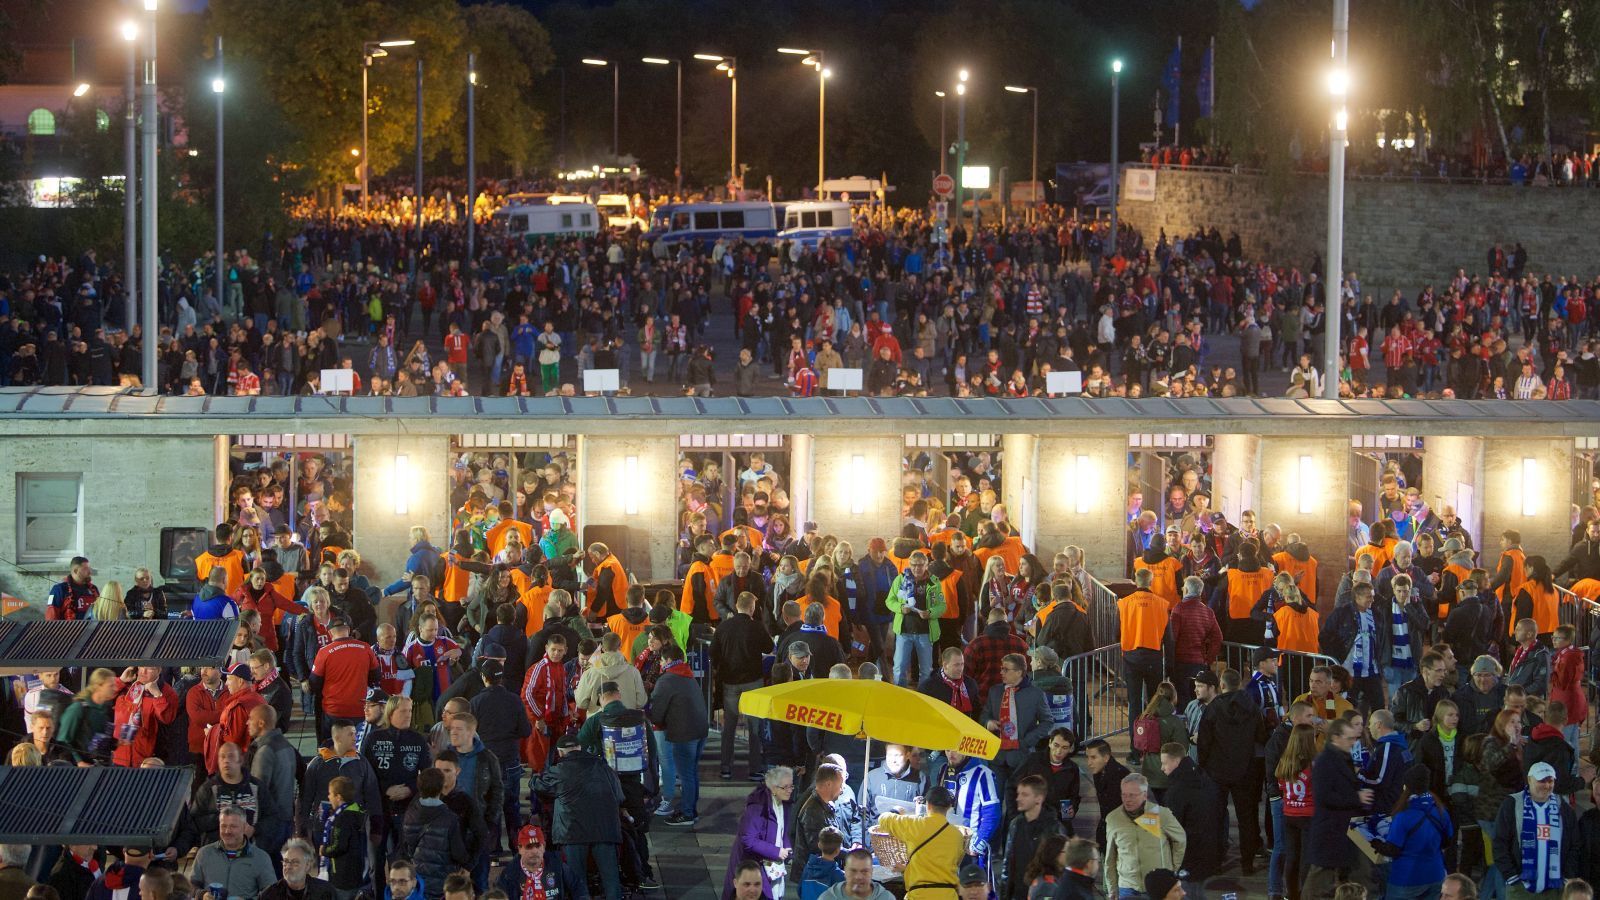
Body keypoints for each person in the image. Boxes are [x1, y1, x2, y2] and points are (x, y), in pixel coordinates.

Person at [534, 734, 626, 900]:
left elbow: (538, 785)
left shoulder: (559, 771)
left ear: (561, 753)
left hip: (572, 833)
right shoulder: (605, 768)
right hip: (606, 831)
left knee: (578, 884)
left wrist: (535, 777)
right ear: (580, 748)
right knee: (612, 883)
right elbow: (619, 797)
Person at [1197, 667, 1267, 873]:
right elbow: (1261, 736)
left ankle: (1216, 862)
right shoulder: (1252, 707)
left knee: (1216, 818)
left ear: (1222, 685)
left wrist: (1204, 766)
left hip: (1217, 772)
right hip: (1246, 771)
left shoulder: (1213, 709)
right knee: (1247, 818)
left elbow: (1204, 742)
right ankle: (1247, 863)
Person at [1305, 719, 1375, 899]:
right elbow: (1323, 796)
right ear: (1336, 737)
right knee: (1319, 878)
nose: (1353, 742)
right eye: (1350, 738)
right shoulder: (1325, 761)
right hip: (1330, 829)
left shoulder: (1342, 757)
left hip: (1344, 828)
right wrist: (1356, 797)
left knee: (1351, 873)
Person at [711, 590, 773, 781]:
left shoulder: (723, 627)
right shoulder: (756, 627)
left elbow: (713, 652)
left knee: (729, 726)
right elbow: (769, 648)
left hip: (730, 682)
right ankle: (754, 769)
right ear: (752, 608)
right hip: (753, 682)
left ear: (736, 605)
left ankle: (726, 768)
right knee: (754, 727)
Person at [1494, 762, 1581, 898]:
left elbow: (1575, 845)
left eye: (1550, 780)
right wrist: (1511, 876)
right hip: (1521, 887)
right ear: (1529, 780)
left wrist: (1567, 876)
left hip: (1555, 888)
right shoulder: (1512, 804)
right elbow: (1499, 842)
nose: (1546, 785)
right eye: (1541, 780)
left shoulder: (1564, 809)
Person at [649, 641, 710, 827]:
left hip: (684, 733)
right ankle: (690, 808)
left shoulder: (666, 680)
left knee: (686, 775)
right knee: (691, 773)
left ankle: (687, 813)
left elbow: (656, 713)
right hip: (699, 730)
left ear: (667, 660)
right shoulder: (688, 675)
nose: (660, 663)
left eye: (661, 660)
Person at [1102, 773, 1185, 899]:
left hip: (1157, 886)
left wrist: (1172, 869)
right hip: (1127, 887)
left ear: (1145, 795)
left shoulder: (1161, 814)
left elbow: (1180, 840)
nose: (1127, 799)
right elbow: (1110, 857)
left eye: (1132, 795)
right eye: (1124, 794)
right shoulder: (1113, 818)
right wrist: (1112, 888)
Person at [876, 786, 966, 898]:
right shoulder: (957, 835)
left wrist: (896, 810)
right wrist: (907, 869)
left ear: (928, 805)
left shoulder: (916, 824)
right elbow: (940, 867)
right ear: (949, 807)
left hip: (920, 895)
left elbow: (883, 819)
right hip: (948, 895)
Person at [1159, 742, 1223, 893]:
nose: (1162, 768)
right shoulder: (1203, 777)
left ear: (1176, 761)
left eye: (1164, 763)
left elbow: (1172, 828)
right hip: (1208, 850)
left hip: (1188, 856)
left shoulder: (1177, 791)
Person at [983, 653, 1053, 790]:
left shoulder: (1035, 694)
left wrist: (1026, 741)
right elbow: (984, 715)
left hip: (1022, 756)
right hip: (997, 756)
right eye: (1001, 669)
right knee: (994, 797)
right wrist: (987, 723)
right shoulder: (995, 691)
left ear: (1019, 672)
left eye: (1006, 669)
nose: (1001, 672)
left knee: (1018, 801)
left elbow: (1047, 722)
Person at [1382, 764, 1453, 900]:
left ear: (1407, 787)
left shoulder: (1403, 816)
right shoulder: (1441, 811)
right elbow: (1447, 842)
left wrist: (1376, 844)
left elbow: (1393, 850)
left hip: (1406, 878)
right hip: (1436, 875)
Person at [725, 766, 796, 900]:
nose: (789, 790)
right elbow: (747, 839)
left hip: (771, 866)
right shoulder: (757, 807)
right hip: (753, 865)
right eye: (785, 787)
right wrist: (776, 851)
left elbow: (782, 830)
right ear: (773, 788)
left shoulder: (784, 803)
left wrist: (786, 846)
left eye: (791, 786)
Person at [399, 769, 470, 900]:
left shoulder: (409, 814)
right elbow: (458, 853)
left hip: (417, 879)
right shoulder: (450, 818)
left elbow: (404, 847)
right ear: (441, 788)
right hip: (442, 882)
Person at [244, 704, 297, 873]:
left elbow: (256, 792)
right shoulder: (286, 746)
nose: (247, 723)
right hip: (286, 819)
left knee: (265, 872)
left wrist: (252, 826)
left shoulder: (265, 751)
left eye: (250, 719)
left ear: (261, 723)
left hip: (270, 826)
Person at [885, 550, 946, 686]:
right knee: (899, 668)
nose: (917, 568)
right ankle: (899, 696)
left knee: (926, 670)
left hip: (925, 632)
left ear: (926, 565)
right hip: (904, 631)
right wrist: (900, 608)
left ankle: (924, 696)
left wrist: (930, 612)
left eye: (920, 565)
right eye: (913, 565)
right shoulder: (901, 579)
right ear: (909, 564)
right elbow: (890, 601)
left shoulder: (934, 582)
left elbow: (942, 606)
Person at [1000, 775, 1065, 900]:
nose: (1018, 798)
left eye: (1025, 794)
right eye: (1018, 794)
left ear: (1039, 798)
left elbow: (1060, 867)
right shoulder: (1016, 824)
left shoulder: (1054, 828)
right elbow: (1007, 865)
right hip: (1018, 895)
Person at [192, 806, 276, 900]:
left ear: (244, 827)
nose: (227, 831)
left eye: (233, 826)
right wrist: (202, 895)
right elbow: (191, 886)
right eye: (223, 826)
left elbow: (272, 893)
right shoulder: (204, 853)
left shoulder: (261, 858)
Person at [1012, 728, 1082, 831]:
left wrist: (1072, 809)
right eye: (1056, 745)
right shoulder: (1032, 760)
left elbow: (1073, 796)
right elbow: (1011, 786)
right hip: (1029, 819)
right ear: (1050, 743)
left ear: (1070, 749)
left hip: (1057, 822)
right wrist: (1014, 815)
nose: (1059, 752)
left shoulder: (1072, 768)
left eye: (1064, 747)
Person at [494, 824, 585, 900]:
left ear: (544, 846)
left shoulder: (557, 865)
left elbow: (579, 887)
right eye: (529, 846)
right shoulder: (508, 875)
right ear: (520, 849)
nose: (535, 851)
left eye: (538, 846)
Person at [316, 776, 367, 900]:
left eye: (330, 794)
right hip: (358, 872)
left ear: (338, 797)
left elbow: (339, 846)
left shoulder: (342, 819)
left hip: (342, 876)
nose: (328, 797)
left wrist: (324, 850)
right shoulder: (359, 811)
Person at [860, 744, 921, 829]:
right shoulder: (871, 777)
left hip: (907, 837)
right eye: (890, 755)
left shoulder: (921, 778)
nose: (893, 760)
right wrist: (859, 840)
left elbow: (925, 814)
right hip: (876, 836)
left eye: (897, 755)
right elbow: (861, 814)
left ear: (908, 755)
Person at [259, 840, 335, 900]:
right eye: (286, 861)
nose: (288, 866)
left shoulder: (325, 892)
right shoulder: (269, 895)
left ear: (307, 866)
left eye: (295, 862)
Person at [817, 849, 894, 900]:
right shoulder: (827, 898)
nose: (858, 877)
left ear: (871, 871)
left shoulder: (886, 898)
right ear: (845, 871)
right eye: (853, 871)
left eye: (864, 871)